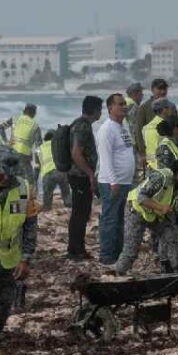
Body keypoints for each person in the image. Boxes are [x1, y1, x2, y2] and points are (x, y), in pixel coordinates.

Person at [114, 122, 178, 277]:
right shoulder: (162, 176)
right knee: (131, 249)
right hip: (137, 211)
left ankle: (176, 271)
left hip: (157, 214)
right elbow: (141, 198)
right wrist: (161, 208)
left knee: (173, 237)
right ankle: (118, 273)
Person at [0, 147, 38, 339]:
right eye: (0, 172)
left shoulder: (23, 187)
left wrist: (26, 259)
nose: (4, 177)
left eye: (8, 173)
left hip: (9, 257)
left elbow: (30, 226)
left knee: (4, 304)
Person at [96, 93, 136, 266]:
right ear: (110, 108)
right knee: (110, 220)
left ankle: (118, 255)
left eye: (125, 104)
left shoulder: (123, 127)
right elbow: (105, 159)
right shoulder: (107, 129)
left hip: (126, 182)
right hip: (112, 182)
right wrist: (113, 182)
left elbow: (127, 152)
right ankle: (106, 257)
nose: (124, 107)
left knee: (121, 220)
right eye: (120, 104)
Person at [67, 96, 102, 261]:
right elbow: (76, 153)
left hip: (78, 175)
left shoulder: (79, 123)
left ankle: (76, 249)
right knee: (80, 214)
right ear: (95, 110)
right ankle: (76, 251)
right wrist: (90, 174)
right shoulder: (82, 127)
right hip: (80, 176)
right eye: (100, 109)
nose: (101, 112)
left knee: (80, 213)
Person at [134, 78, 174, 162]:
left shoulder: (172, 107)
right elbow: (138, 131)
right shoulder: (144, 108)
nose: (163, 91)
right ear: (152, 90)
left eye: (164, 89)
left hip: (169, 148)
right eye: (159, 89)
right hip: (151, 150)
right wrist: (142, 152)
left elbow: (175, 126)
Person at [7, 103, 42, 179]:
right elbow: (38, 149)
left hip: (11, 153)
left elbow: (1, 128)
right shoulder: (35, 126)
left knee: (11, 178)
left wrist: (6, 141)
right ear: (34, 113)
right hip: (24, 157)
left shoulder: (15, 119)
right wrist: (37, 166)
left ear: (23, 111)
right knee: (28, 181)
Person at [141, 98, 176, 172]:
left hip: (150, 167)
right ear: (164, 110)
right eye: (169, 107)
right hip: (163, 167)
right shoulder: (165, 127)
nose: (171, 110)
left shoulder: (146, 128)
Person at [37, 130, 69, 211]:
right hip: (60, 172)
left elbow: (37, 166)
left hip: (47, 174)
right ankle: (68, 207)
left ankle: (47, 209)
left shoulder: (40, 148)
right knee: (66, 193)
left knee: (47, 196)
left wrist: (35, 181)